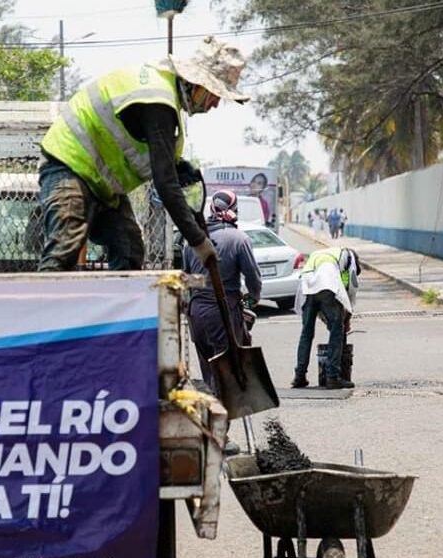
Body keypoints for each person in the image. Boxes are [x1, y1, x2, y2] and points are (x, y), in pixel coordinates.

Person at [37, 36, 250, 272]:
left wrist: (178, 168)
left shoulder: (165, 101)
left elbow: (158, 162)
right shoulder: (157, 101)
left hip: (101, 185)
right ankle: (36, 306)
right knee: (64, 247)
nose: (216, 104)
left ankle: (119, 309)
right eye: (215, 94)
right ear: (197, 83)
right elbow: (165, 184)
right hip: (68, 163)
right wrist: (198, 241)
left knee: (129, 249)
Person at [183, 189, 262, 394]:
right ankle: (224, 408)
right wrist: (252, 299)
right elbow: (253, 278)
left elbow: (186, 277)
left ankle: (213, 407)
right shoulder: (238, 239)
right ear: (235, 210)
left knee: (208, 365)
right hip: (224, 310)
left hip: (197, 311)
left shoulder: (191, 241)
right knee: (227, 364)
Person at [291, 246, 361, 390]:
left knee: (306, 332)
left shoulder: (320, 253)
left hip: (306, 287)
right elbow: (350, 288)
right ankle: (333, 377)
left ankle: (299, 376)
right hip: (327, 285)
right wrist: (346, 318)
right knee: (337, 331)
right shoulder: (349, 257)